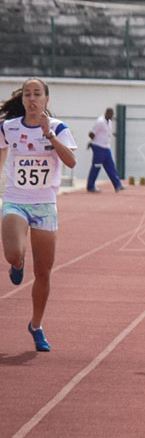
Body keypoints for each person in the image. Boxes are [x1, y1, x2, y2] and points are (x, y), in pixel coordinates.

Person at [0, 78, 77, 352]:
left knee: (43, 272)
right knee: (13, 253)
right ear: (22, 100)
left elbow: (71, 161)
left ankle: (36, 325)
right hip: (15, 201)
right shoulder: (8, 127)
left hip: (44, 205)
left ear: (46, 99)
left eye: (37, 94)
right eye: (27, 94)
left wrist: (49, 135)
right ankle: (17, 263)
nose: (32, 99)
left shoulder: (58, 128)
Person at [86, 107, 124, 193]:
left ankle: (117, 185)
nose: (112, 116)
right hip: (98, 147)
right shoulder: (100, 122)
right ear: (107, 113)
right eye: (111, 114)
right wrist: (91, 142)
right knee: (96, 166)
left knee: (111, 166)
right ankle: (90, 186)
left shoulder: (109, 122)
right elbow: (91, 133)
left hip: (106, 147)